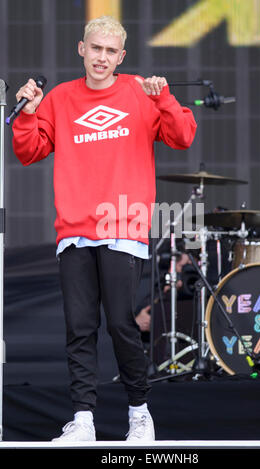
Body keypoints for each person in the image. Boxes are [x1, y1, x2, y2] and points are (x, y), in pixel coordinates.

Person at [11, 16, 197, 442]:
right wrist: (28, 114)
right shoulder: (59, 98)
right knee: (79, 328)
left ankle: (139, 414)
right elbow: (28, 151)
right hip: (74, 230)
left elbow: (183, 135)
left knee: (119, 324)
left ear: (122, 57)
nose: (102, 57)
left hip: (123, 226)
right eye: (96, 48)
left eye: (111, 52)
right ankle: (83, 422)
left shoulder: (139, 91)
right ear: (82, 49)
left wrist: (164, 98)